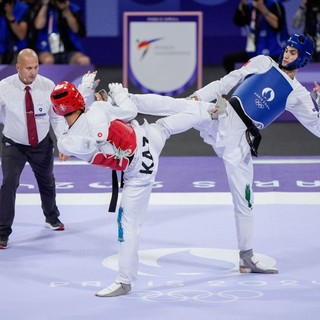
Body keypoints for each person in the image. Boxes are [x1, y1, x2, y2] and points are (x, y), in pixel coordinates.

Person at [130, 33, 317, 276]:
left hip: (240, 141)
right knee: (181, 106)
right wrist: (198, 96)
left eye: (293, 53)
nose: (286, 54)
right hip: (223, 114)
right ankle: (126, 102)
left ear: (302, 60)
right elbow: (227, 81)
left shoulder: (298, 93)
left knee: (245, 200)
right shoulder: (263, 62)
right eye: (287, 49)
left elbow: (317, 126)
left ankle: (247, 257)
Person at [50, 72, 215, 297]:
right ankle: (212, 111)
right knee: (167, 124)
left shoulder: (66, 143)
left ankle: (125, 281)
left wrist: (86, 93)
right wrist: (119, 94)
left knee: (128, 227)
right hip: (147, 139)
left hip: (139, 171)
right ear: (78, 100)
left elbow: (74, 126)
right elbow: (129, 112)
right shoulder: (98, 111)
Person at [0, 48, 66, 250]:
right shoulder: (3, 87)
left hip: (41, 144)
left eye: (36, 67)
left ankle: (52, 217)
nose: (33, 72)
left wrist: (63, 142)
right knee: (9, 183)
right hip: (14, 145)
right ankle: (2, 233)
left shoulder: (48, 86)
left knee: (47, 181)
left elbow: (56, 117)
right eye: (28, 68)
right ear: (18, 67)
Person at [223, 0, 289, 73]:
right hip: (255, 51)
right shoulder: (250, 7)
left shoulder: (274, 4)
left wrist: (261, 8)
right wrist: (242, 4)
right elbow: (239, 22)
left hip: (275, 51)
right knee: (228, 60)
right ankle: (240, 84)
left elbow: (277, 25)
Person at [32, 0, 91, 65]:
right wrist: (45, 5)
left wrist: (66, 9)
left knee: (84, 61)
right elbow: (38, 26)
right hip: (46, 49)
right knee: (48, 60)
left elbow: (76, 29)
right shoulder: (39, 7)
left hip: (68, 50)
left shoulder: (72, 8)